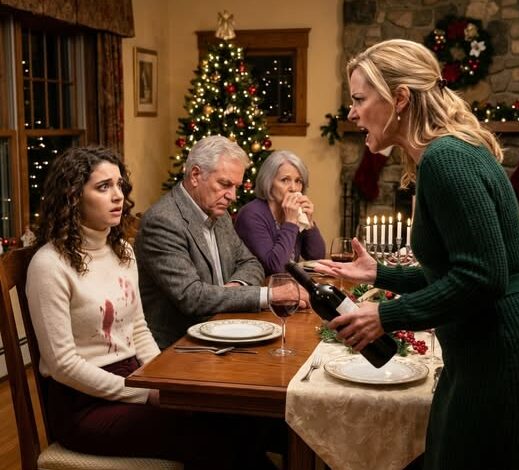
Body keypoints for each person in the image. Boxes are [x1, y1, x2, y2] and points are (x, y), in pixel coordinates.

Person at [315, 39, 519, 470]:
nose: (352, 113)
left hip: (496, 353)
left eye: (359, 99)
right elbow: (455, 271)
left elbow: (484, 277)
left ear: (400, 98)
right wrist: (379, 274)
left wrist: (385, 316)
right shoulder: (446, 153)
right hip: (482, 348)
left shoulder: (446, 159)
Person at [26, 146, 280, 469]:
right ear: (73, 196)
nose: (118, 196)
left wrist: (161, 380)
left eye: (119, 185)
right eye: (103, 187)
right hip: (84, 404)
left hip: (134, 378)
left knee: (235, 419)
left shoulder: (122, 251)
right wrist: (144, 392)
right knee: (212, 436)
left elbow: (138, 328)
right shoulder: (49, 264)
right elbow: (62, 365)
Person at [135, 135, 307, 349]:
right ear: (195, 175)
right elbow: (192, 297)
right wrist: (270, 295)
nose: (232, 196)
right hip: (180, 347)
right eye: (225, 184)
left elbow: (251, 263)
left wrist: (235, 289)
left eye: (236, 186)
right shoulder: (163, 221)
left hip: (226, 331)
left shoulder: (220, 214)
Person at [235, 150, 326, 275]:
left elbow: (317, 257)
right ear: (269, 182)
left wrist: (309, 224)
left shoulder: (295, 212)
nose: (293, 188)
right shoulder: (251, 214)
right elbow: (275, 268)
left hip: (289, 284)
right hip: (263, 284)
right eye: (285, 180)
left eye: (298, 181)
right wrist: (290, 223)